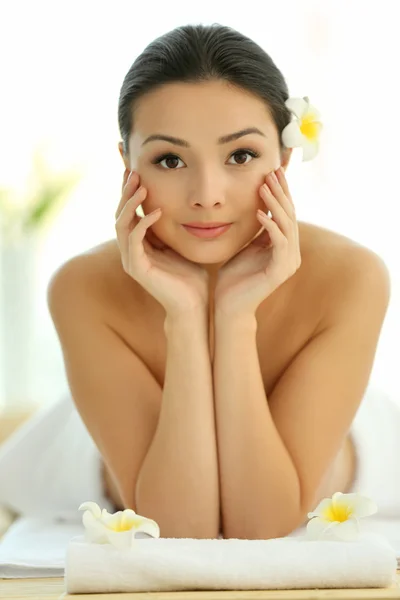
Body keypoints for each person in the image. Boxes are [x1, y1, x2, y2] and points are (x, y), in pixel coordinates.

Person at [47, 23, 391, 540]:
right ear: (127, 165)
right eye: (169, 159)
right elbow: (180, 529)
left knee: (328, 470)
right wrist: (183, 319)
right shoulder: (81, 288)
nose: (207, 194)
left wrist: (235, 317)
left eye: (241, 155)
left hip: (358, 432)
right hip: (83, 442)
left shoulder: (352, 277)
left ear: (285, 157)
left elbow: (261, 526)